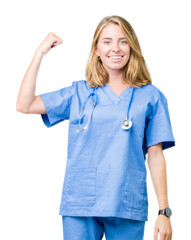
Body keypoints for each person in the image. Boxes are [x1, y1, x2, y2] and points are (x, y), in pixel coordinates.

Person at [16, 15, 175, 240]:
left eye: (123, 41)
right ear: (96, 50)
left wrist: (164, 211)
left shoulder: (151, 97)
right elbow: (25, 104)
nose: (115, 48)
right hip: (81, 204)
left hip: (126, 203)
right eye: (107, 41)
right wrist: (39, 53)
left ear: (132, 47)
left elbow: (156, 155)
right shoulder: (79, 93)